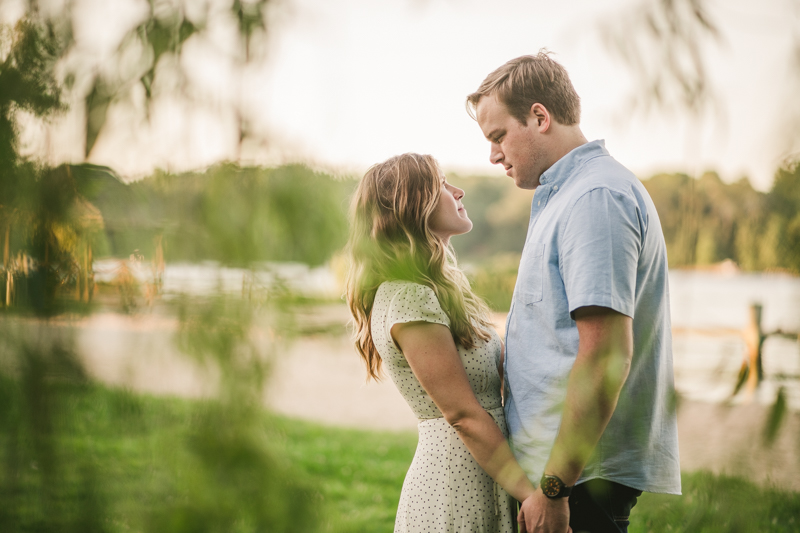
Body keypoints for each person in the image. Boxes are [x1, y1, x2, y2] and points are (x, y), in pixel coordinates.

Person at [466, 53, 681, 533]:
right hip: (568, 474)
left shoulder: (594, 199)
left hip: (580, 478)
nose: (493, 155)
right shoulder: (566, 196)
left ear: (540, 117)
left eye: (498, 136)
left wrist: (554, 488)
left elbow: (605, 356)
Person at [346, 153, 542, 532]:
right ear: (412, 206)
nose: (458, 190)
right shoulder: (408, 297)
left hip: (483, 469)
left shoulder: (438, 288)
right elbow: (462, 416)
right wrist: (531, 496)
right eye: (441, 184)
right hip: (455, 483)